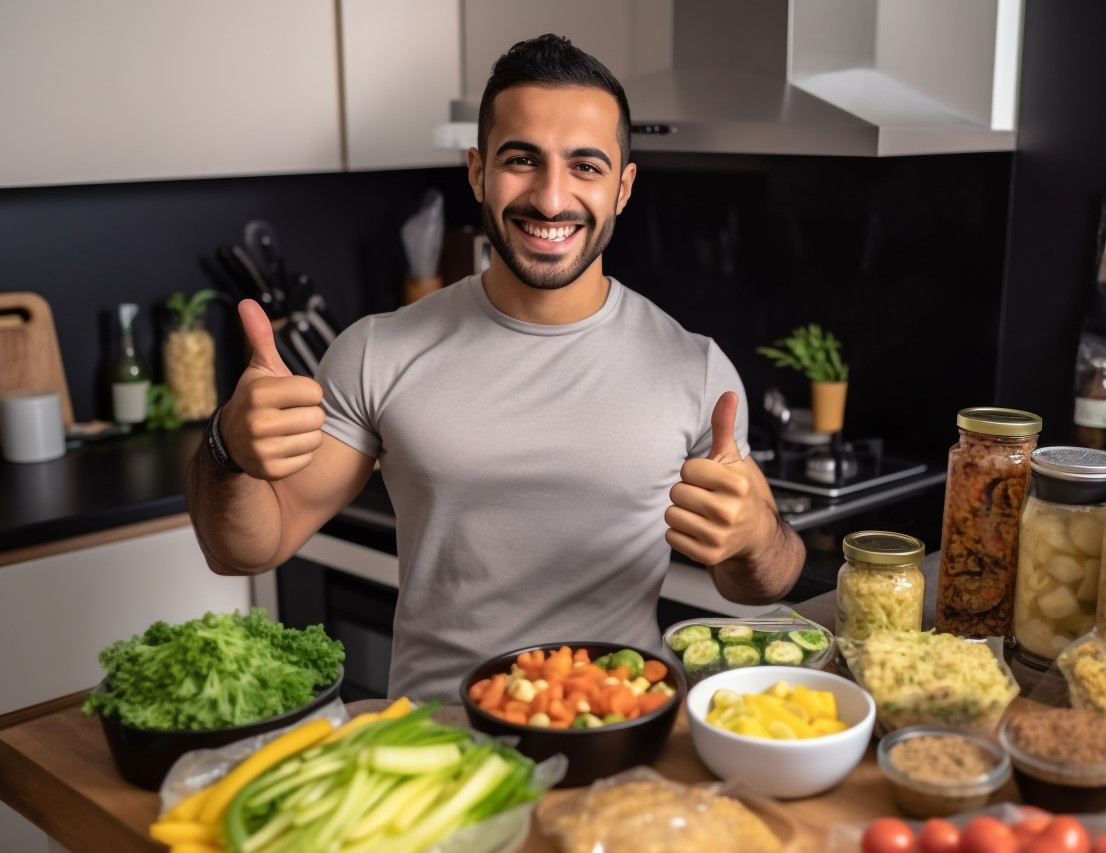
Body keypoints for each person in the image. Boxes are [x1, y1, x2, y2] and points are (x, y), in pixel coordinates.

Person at [187, 33, 805, 702]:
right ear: (478, 170)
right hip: (437, 745)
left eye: (586, 166)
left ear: (623, 187)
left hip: (617, 734)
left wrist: (752, 537)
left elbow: (769, 579)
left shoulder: (693, 367)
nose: (549, 198)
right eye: (522, 160)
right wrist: (228, 448)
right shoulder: (380, 350)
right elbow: (247, 548)